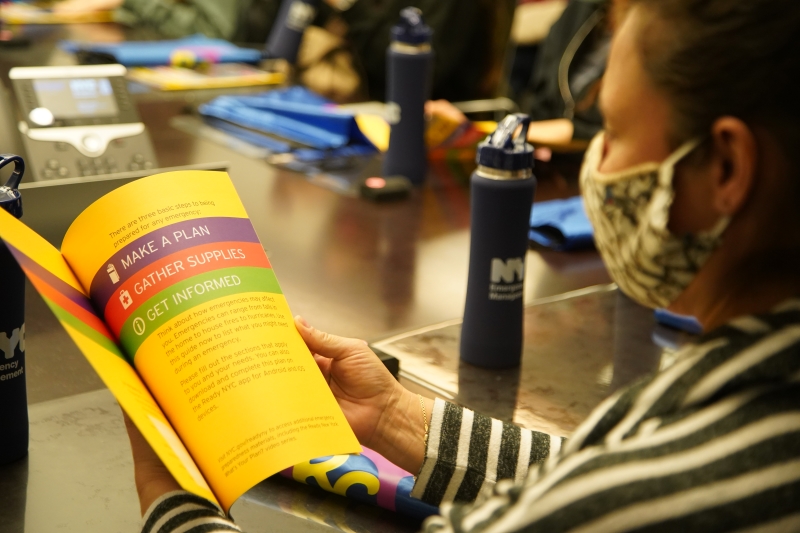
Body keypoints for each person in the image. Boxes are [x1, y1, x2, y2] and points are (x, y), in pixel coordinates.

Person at [128, 0, 800, 530]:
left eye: (615, 132)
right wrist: (395, 415)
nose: (600, 164)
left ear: (728, 168)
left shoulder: (650, 494)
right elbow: (596, 469)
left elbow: (606, 495)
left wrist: (171, 498)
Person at [54, 0, 514, 103]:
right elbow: (274, 43)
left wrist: (346, 9)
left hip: (429, 135)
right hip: (339, 112)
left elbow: (404, 79)